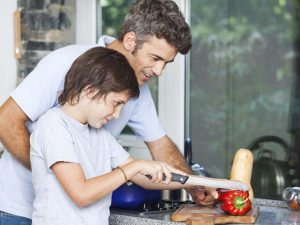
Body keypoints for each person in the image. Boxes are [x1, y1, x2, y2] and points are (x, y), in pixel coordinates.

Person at [0, 0, 216, 223]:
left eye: (167, 63)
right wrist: (62, 177)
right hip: (17, 209)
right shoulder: (66, 64)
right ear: (131, 40)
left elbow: (159, 146)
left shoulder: (130, 98)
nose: (159, 71)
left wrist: (196, 184)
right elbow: (5, 121)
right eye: (155, 58)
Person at [30, 46, 189, 225]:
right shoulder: (53, 125)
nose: (117, 115)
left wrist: (197, 183)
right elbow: (82, 194)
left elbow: (142, 177)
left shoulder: (100, 135)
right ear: (91, 91)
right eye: (116, 103)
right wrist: (134, 167)